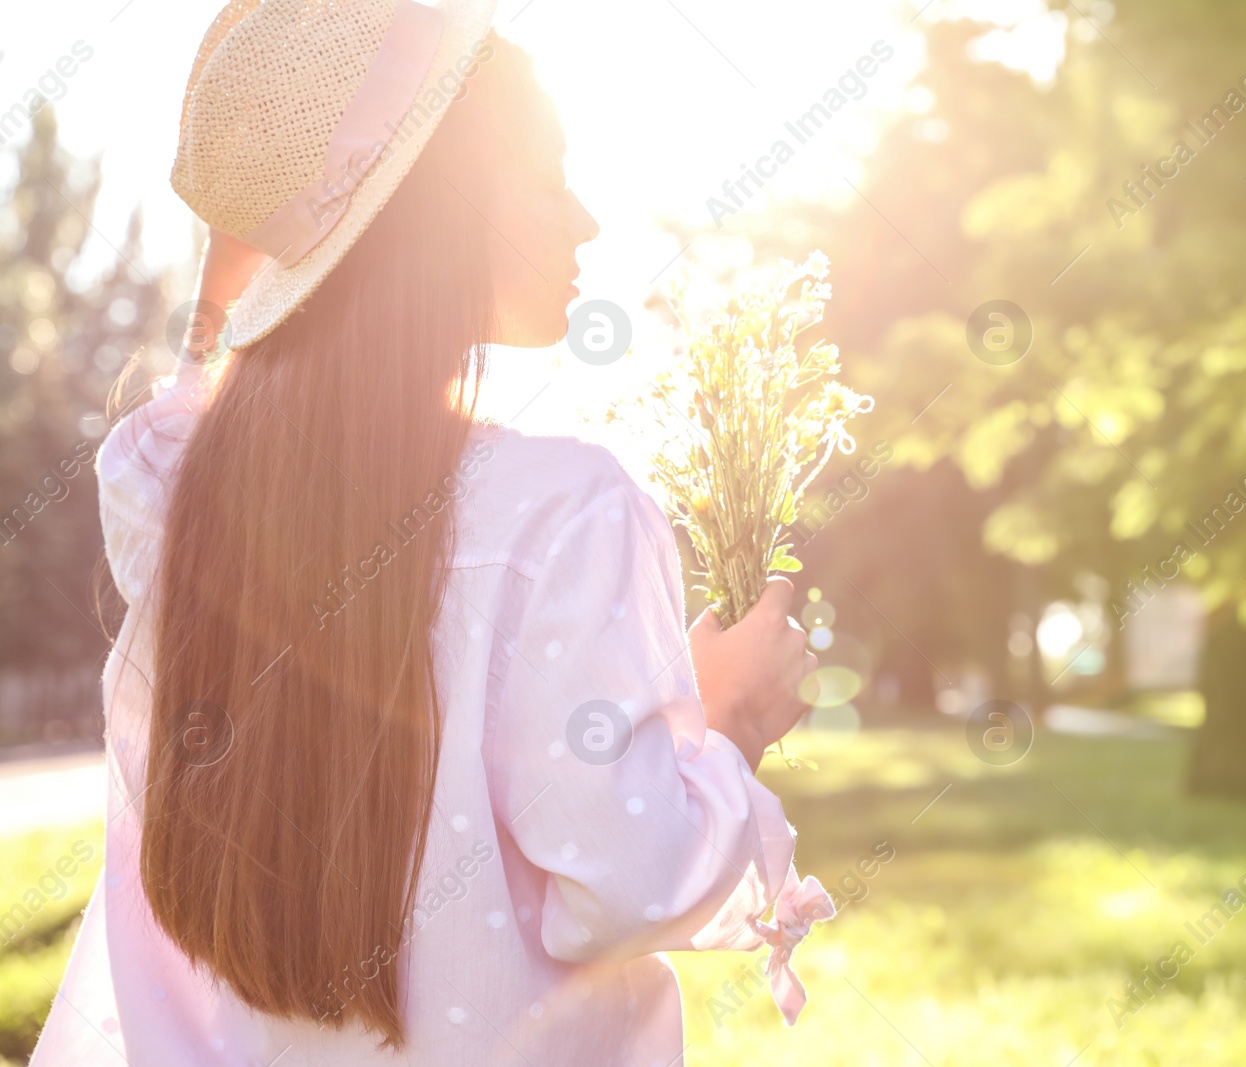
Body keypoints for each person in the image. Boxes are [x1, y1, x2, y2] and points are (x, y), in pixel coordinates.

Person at [29, 2, 823, 1063]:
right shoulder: (564, 509)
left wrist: (271, 239)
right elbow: (626, 876)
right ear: (439, 210)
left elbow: (187, 395)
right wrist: (728, 718)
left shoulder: (187, 502)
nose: (585, 218)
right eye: (549, 175)